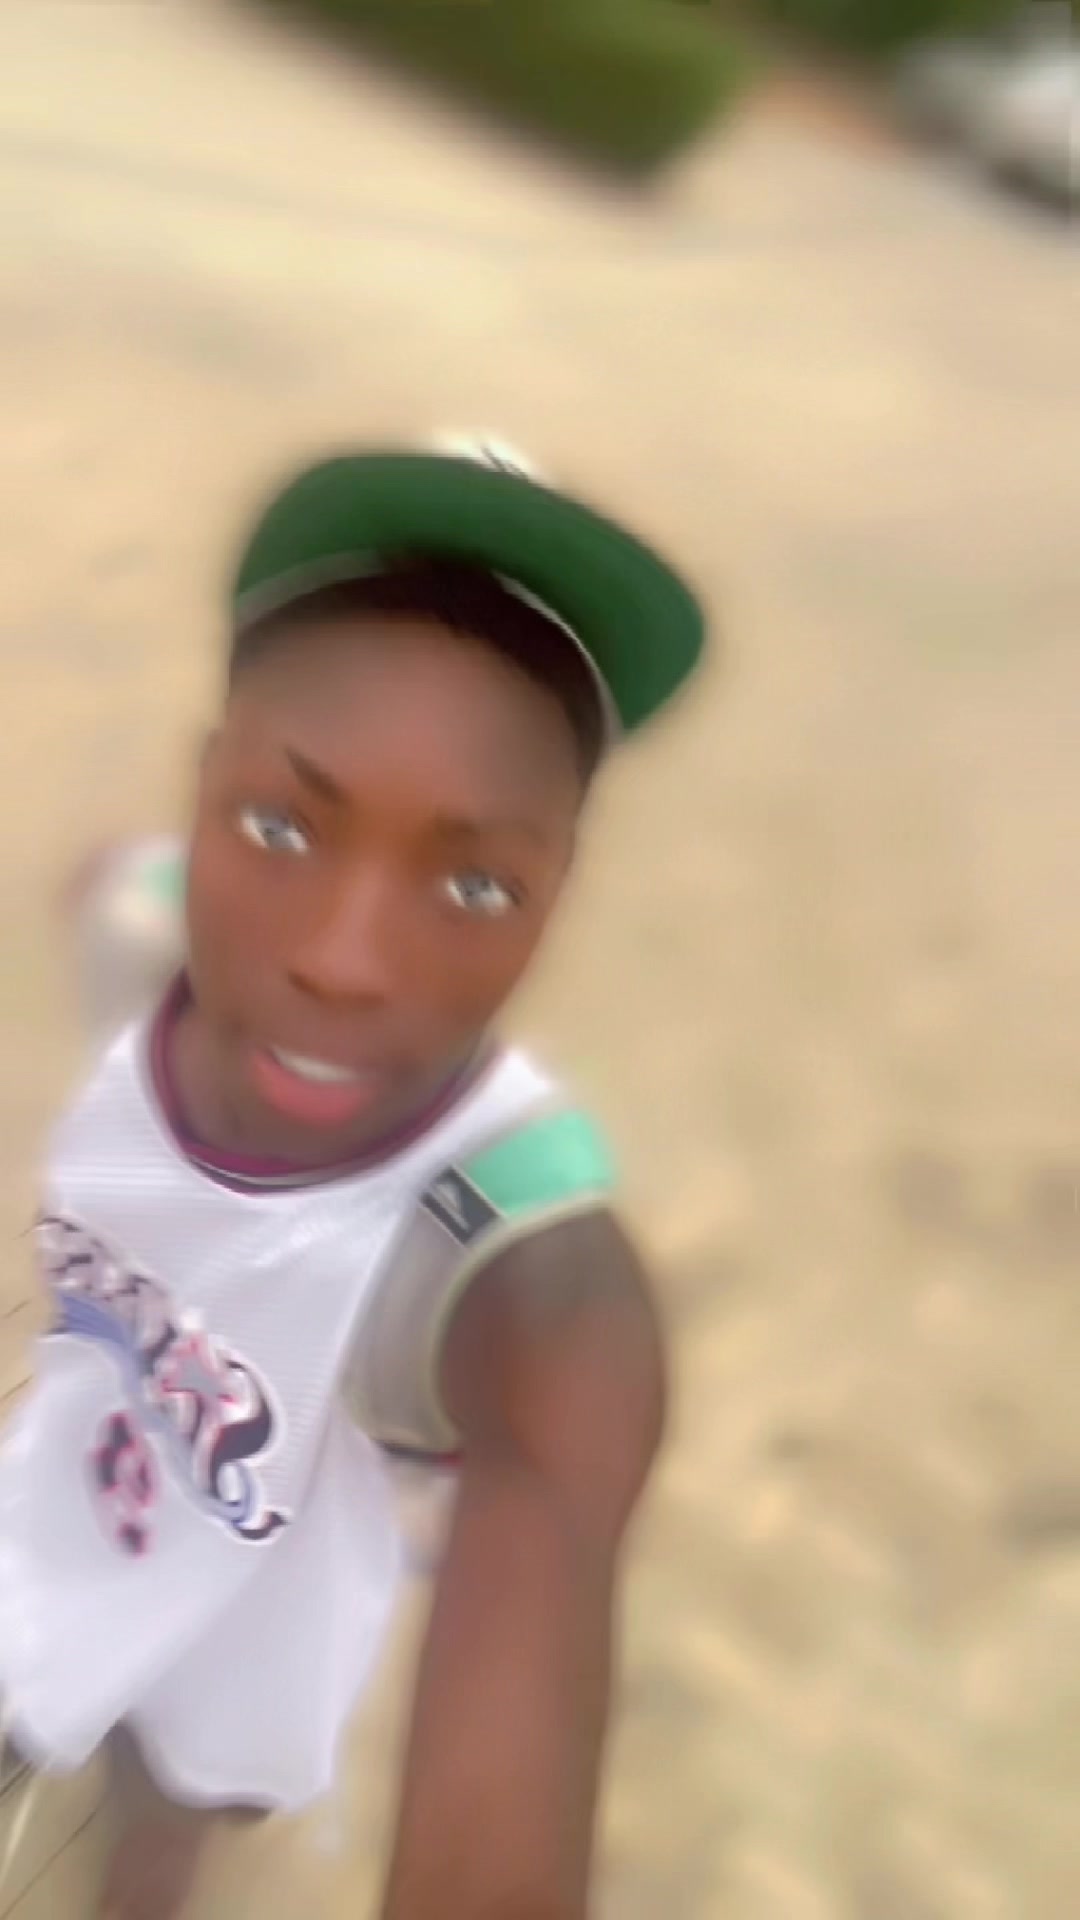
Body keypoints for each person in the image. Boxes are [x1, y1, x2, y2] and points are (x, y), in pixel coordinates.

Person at [0, 440, 706, 1919]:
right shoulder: (138, 936)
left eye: (473, 884)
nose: (344, 960)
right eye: (280, 827)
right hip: (45, 1539)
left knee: (154, 1848)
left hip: (236, 1661)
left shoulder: (523, 1272)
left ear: (555, 894)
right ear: (203, 786)